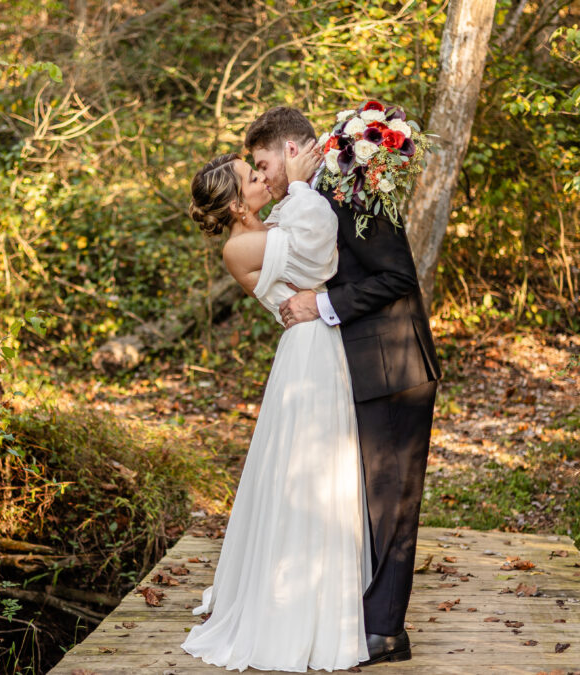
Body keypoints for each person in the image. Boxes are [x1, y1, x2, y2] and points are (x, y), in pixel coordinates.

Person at [247, 107, 441, 666]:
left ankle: (385, 632)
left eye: (263, 164)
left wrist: (321, 304)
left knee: (392, 501)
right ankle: (363, 618)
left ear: (289, 149)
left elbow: (398, 274)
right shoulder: (310, 195)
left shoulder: (355, 185)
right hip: (353, 366)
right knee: (365, 499)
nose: (262, 177)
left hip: (393, 363)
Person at [180, 144, 371, 672]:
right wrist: (304, 185)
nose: (265, 178)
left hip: (318, 346)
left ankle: (324, 602)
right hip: (308, 356)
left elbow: (302, 235)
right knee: (305, 478)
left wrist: (301, 187)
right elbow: (320, 254)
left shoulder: (266, 226)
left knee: (319, 477)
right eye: (253, 176)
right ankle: (294, 615)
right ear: (239, 205)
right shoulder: (240, 248)